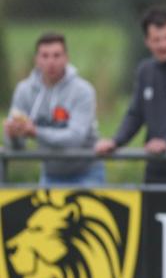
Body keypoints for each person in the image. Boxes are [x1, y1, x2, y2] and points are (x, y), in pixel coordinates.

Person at [95, 7, 166, 183]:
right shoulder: (145, 71)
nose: (163, 45)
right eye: (156, 39)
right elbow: (135, 113)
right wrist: (116, 141)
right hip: (156, 167)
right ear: (147, 41)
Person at [3, 33, 104, 185]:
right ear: (36, 60)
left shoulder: (83, 90)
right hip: (50, 175)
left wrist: (35, 131)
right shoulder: (24, 90)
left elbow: (75, 138)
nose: (51, 62)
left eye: (56, 55)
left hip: (87, 174)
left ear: (66, 58)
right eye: (45, 56)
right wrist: (12, 135)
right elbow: (16, 147)